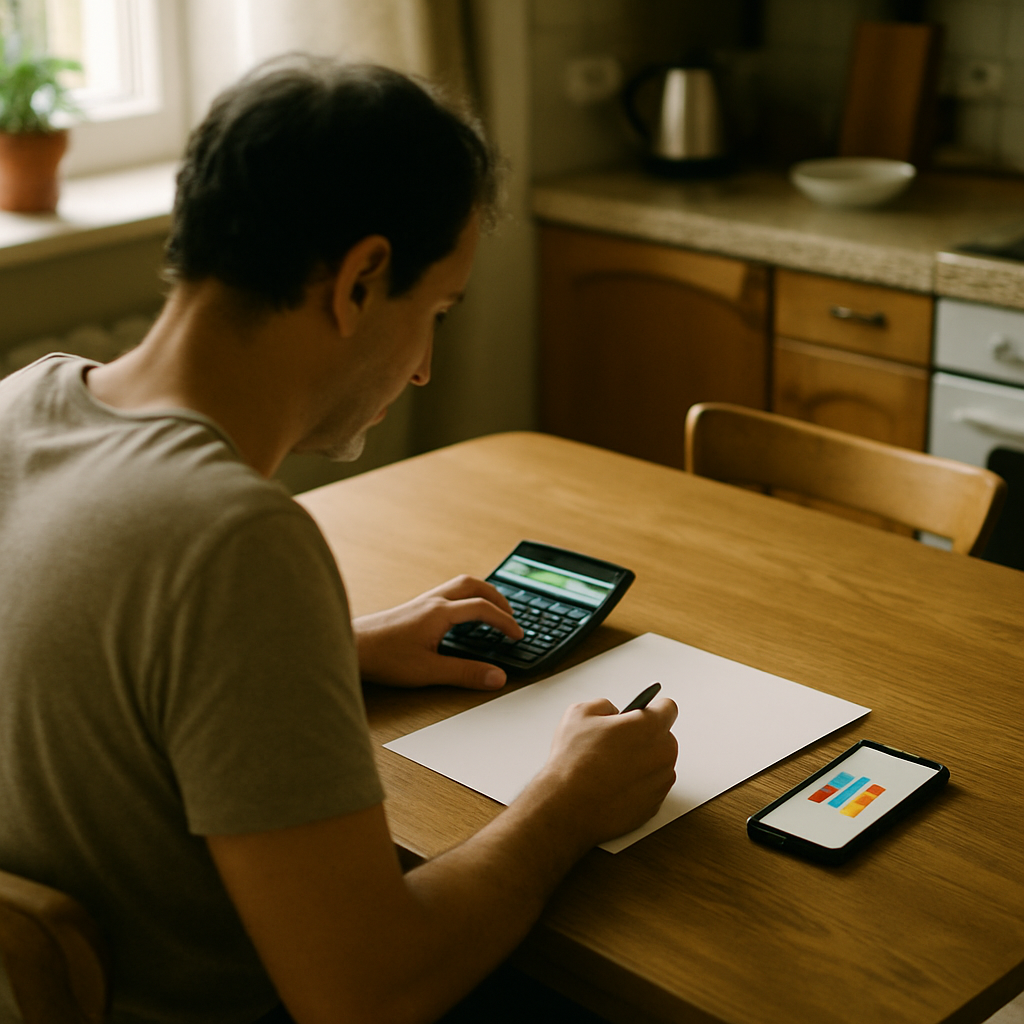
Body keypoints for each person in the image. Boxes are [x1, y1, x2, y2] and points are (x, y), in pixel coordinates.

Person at [0, 55, 678, 1024]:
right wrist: (564, 801)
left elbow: (74, 663)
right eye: (434, 311)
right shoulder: (233, 542)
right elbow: (368, 992)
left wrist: (334, 650)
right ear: (361, 279)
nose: (423, 370)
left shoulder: (24, 401)